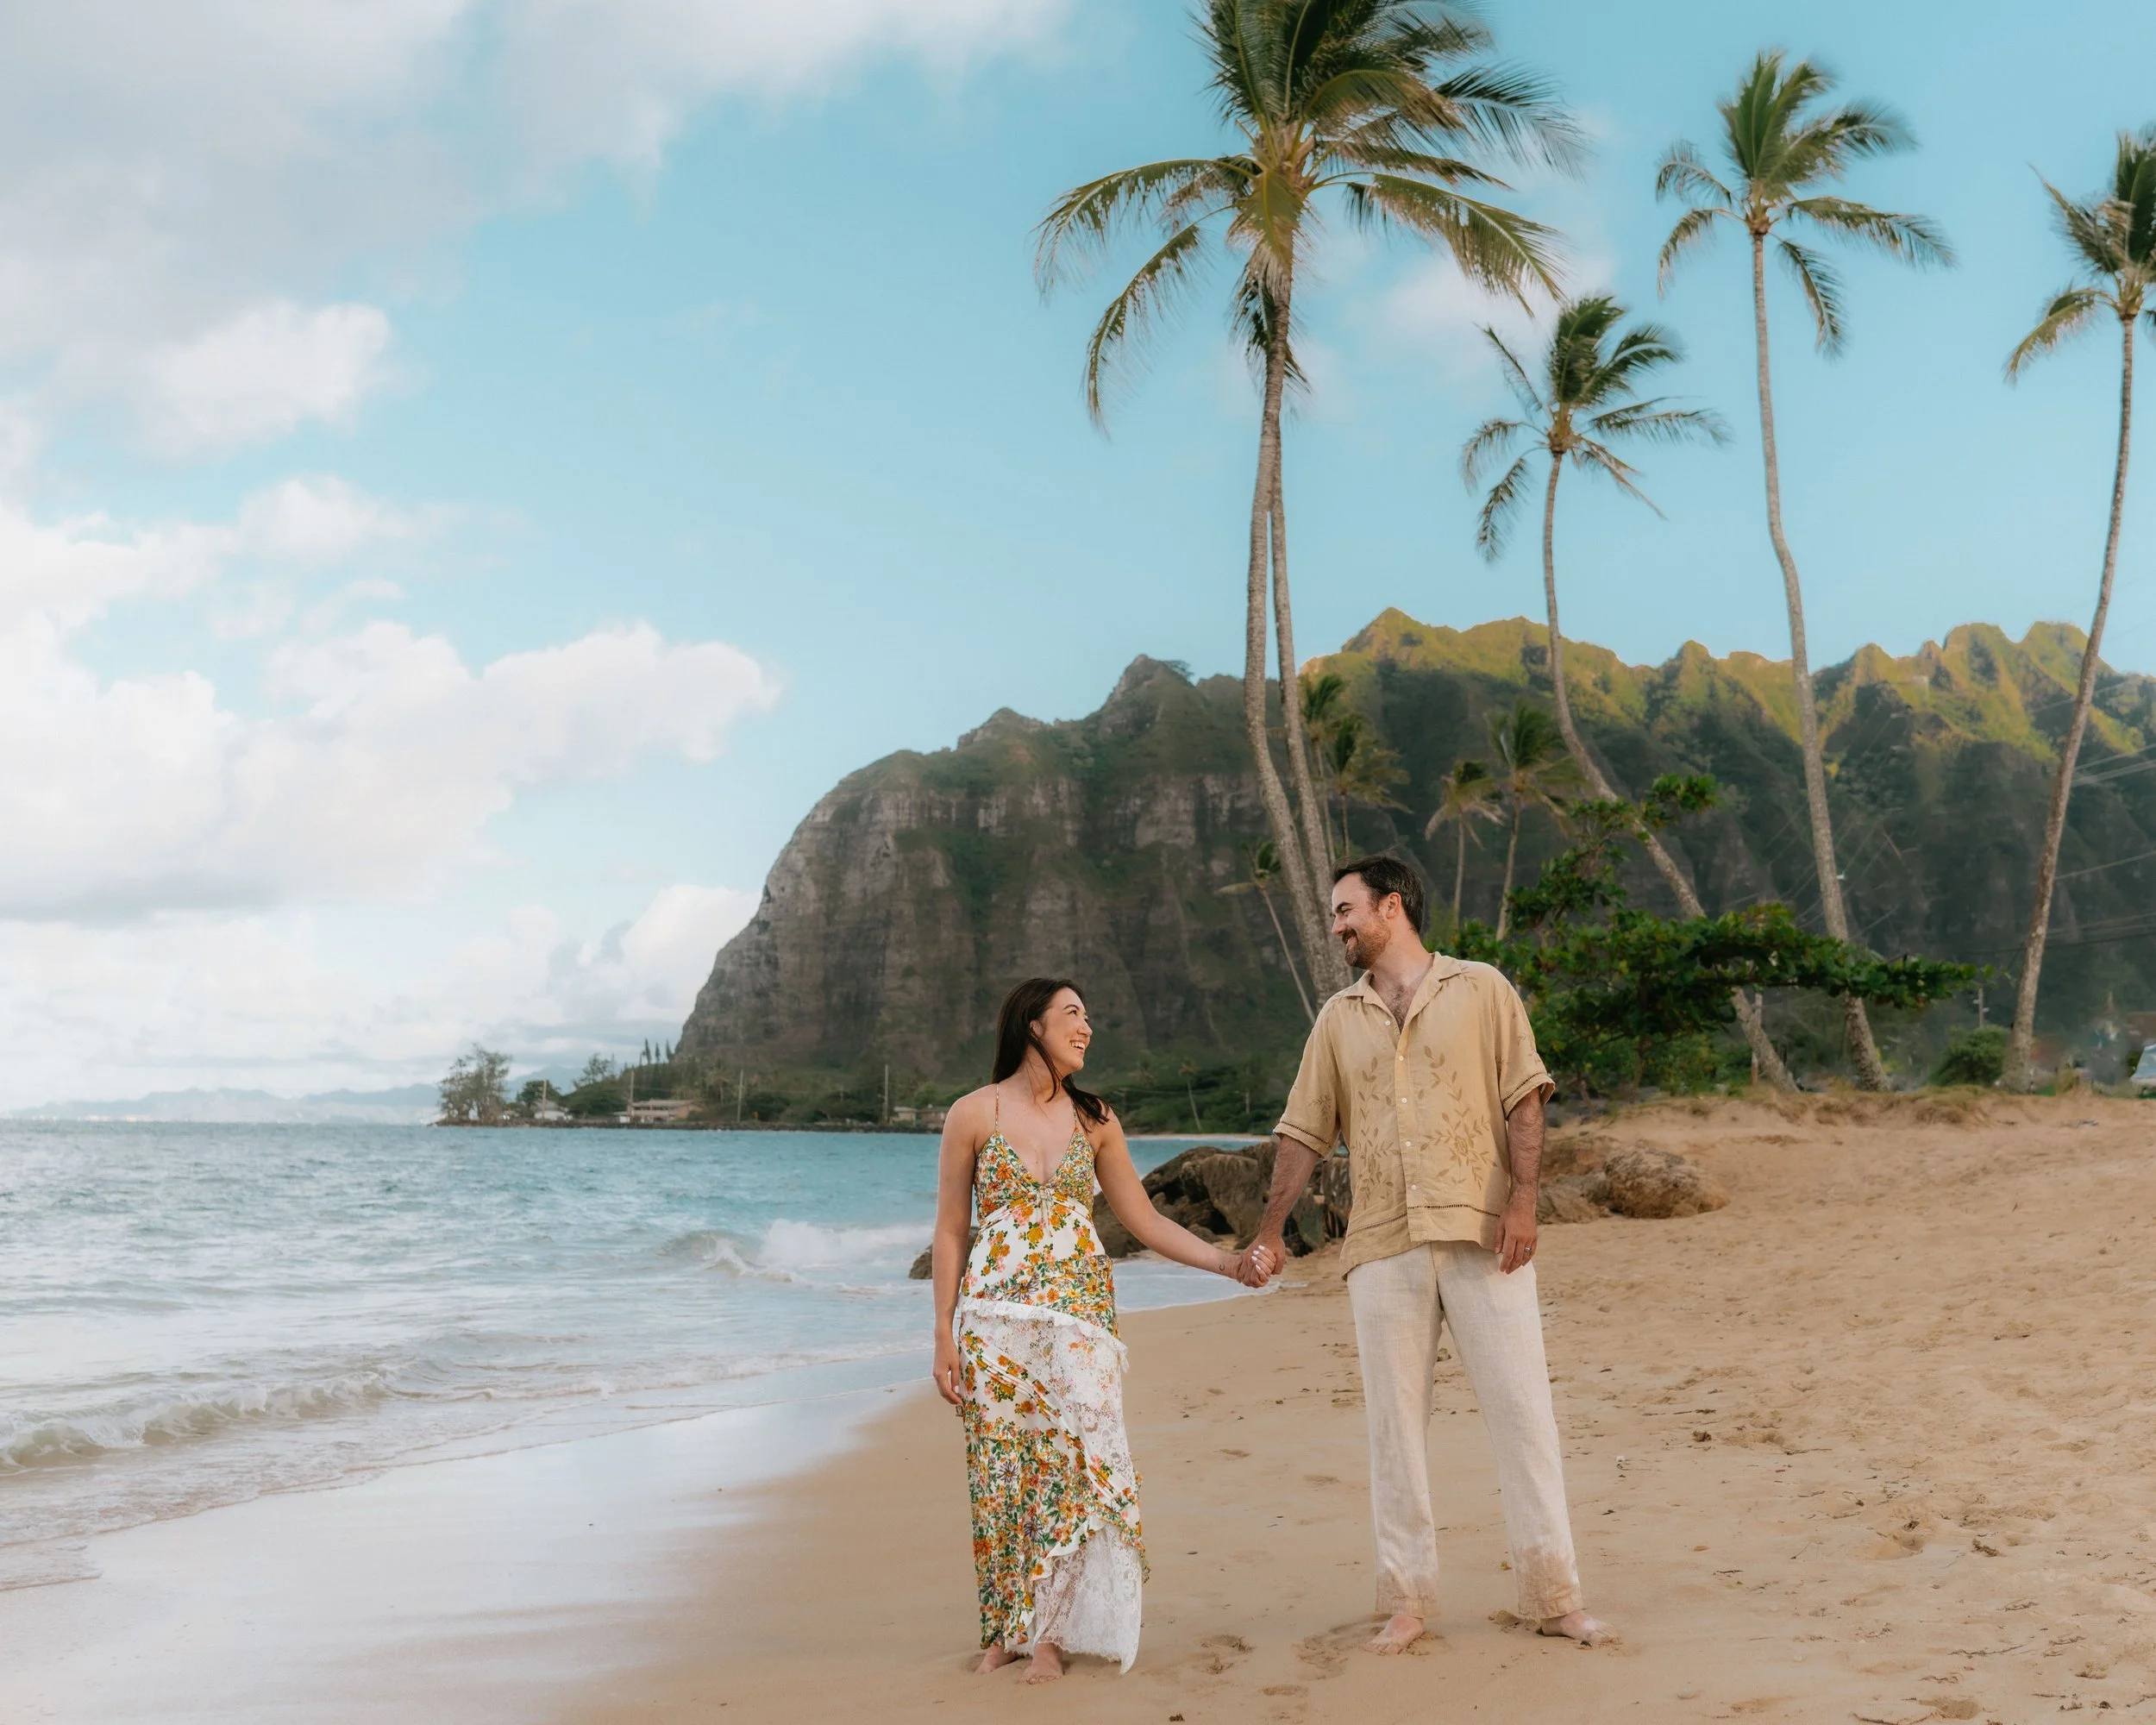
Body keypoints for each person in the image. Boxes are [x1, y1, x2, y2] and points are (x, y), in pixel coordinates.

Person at [1246, 856, 1613, 1653]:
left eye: (1346, 910)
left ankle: (1555, 1596)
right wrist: (1272, 1230)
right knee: (1394, 1430)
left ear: (1391, 906)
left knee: (1524, 1419)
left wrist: (1524, 1201)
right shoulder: (1337, 1019)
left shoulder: (1482, 989)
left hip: (1486, 1237)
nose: (1337, 925)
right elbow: (1304, 1133)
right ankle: (1407, 1600)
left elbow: (1524, 1096)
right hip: (1381, 1245)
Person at [930, 976, 1272, 1683]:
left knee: (1075, 1465)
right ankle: (1004, 1627)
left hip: (1082, 1314)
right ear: (1032, 1025)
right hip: (994, 1318)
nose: (1087, 1028)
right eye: (1073, 1015)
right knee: (1003, 1472)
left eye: (1089, 1017)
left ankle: (1050, 1634)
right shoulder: (972, 1114)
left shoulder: (1098, 1119)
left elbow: (1143, 1221)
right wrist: (942, 1333)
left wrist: (1228, 1262)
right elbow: (950, 1229)